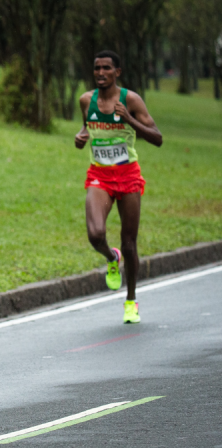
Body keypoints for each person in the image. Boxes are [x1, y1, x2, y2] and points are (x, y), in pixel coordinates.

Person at [74, 50, 163, 324]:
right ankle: (112, 257)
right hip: (99, 175)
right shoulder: (86, 100)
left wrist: (129, 120)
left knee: (130, 243)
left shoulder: (131, 100)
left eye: (107, 68)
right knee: (95, 234)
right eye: (97, 68)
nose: (101, 73)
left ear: (118, 72)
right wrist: (80, 137)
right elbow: (88, 128)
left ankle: (131, 300)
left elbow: (157, 138)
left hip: (128, 176)